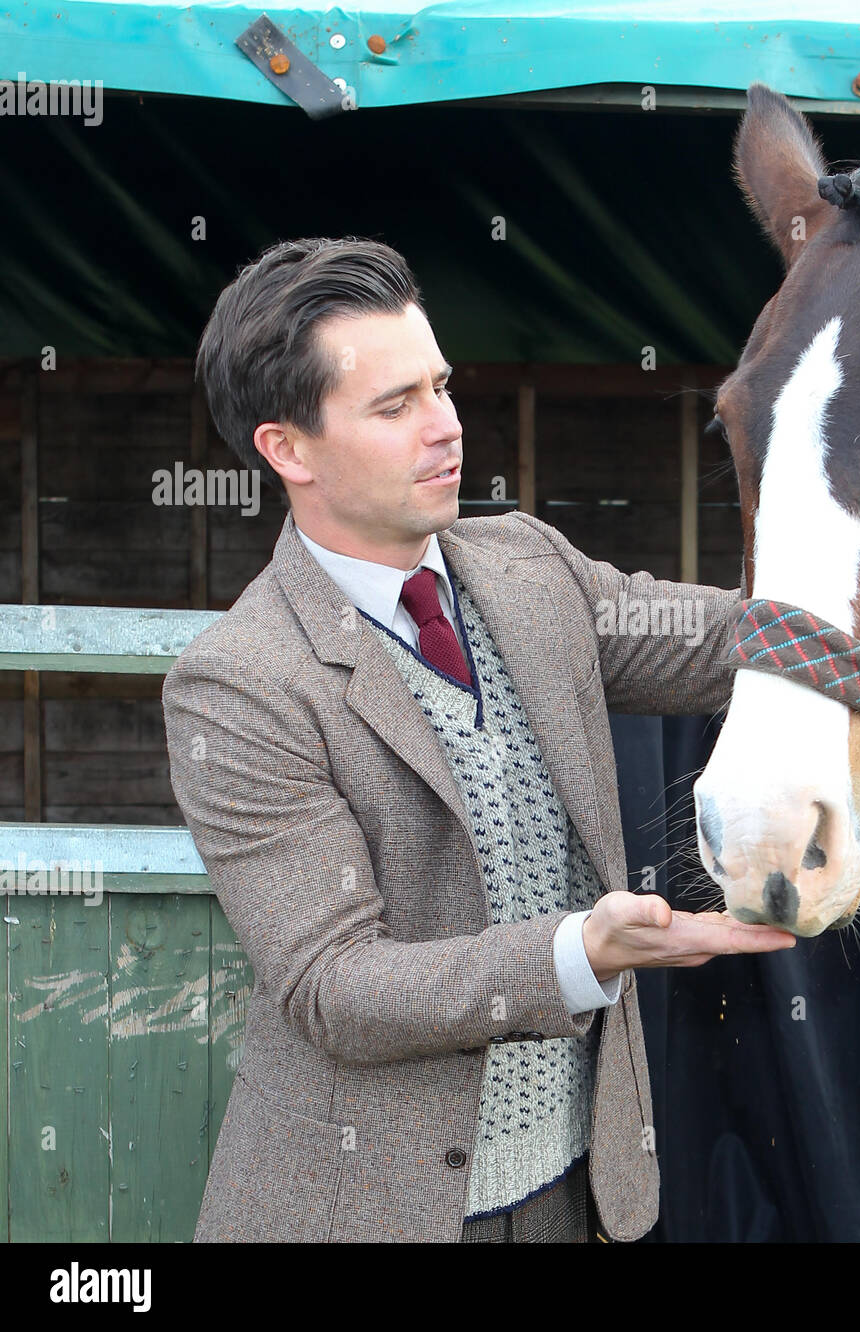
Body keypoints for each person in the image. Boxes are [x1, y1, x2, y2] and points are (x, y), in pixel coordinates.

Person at [162, 236, 797, 1244]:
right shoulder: (240, 683)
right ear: (287, 450)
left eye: (441, 387)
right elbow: (334, 987)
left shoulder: (526, 563)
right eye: (394, 405)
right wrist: (576, 955)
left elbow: (719, 639)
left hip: (573, 1192)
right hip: (370, 1213)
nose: (446, 428)